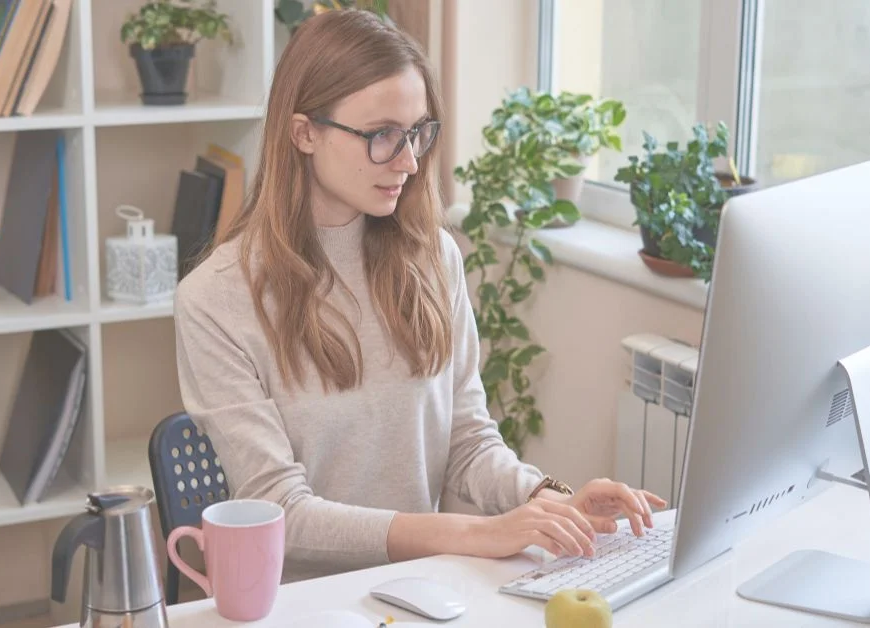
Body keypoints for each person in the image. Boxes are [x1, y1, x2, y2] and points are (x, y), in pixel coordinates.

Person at [173, 8, 666, 584]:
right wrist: (478, 534)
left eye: (417, 132)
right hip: (308, 605)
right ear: (303, 132)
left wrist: (550, 499)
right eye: (381, 135)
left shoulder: (433, 257)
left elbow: (467, 439)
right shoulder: (216, 299)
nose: (409, 161)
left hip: (422, 591)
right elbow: (284, 512)